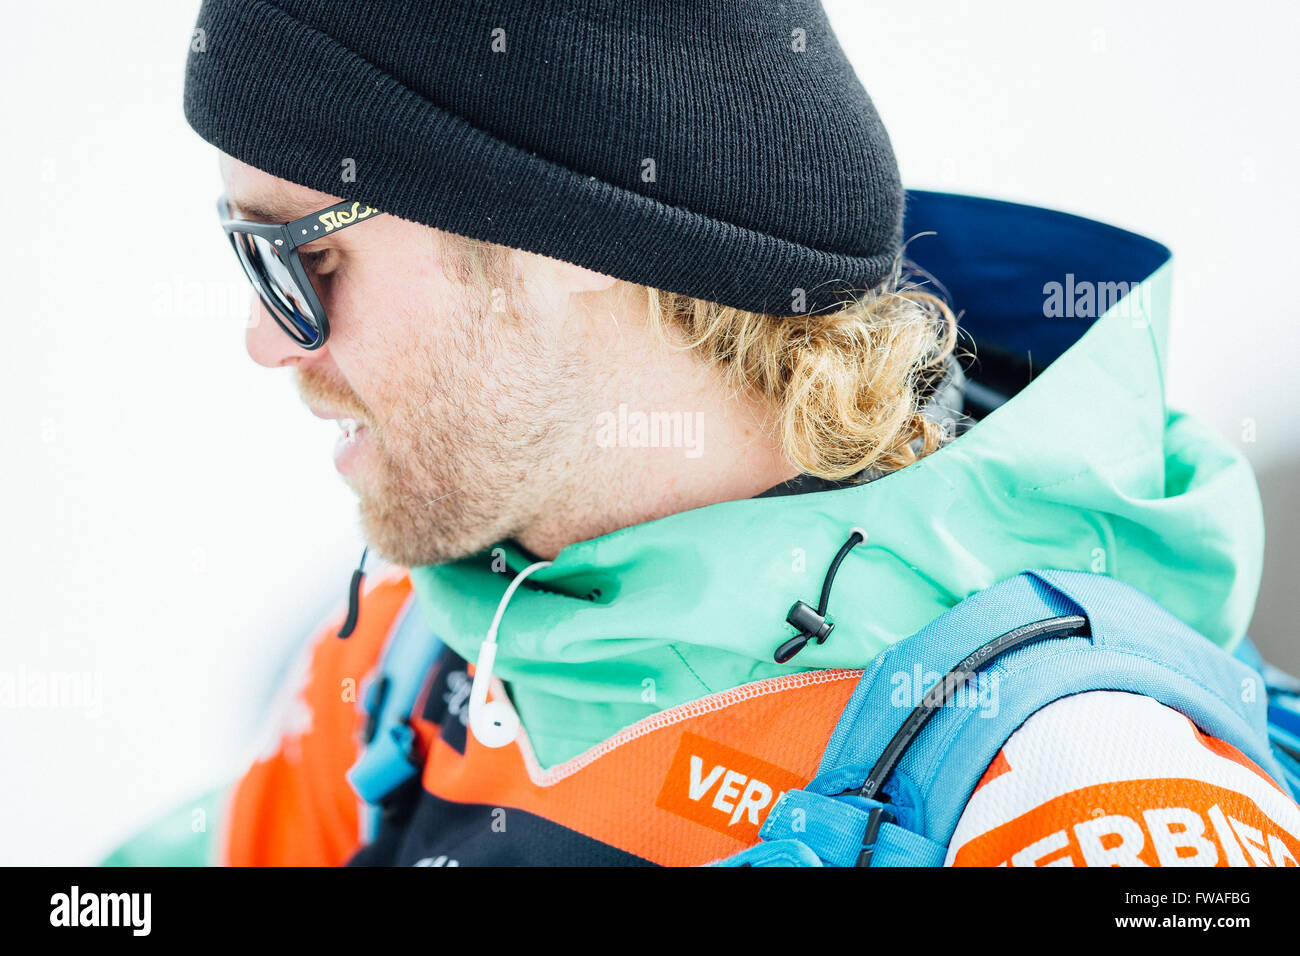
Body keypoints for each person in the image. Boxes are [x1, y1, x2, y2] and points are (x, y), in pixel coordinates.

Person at [105, 0, 1300, 867]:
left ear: (562, 236)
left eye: (303, 259)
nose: (272, 342)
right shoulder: (426, 657)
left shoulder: (1065, 797)